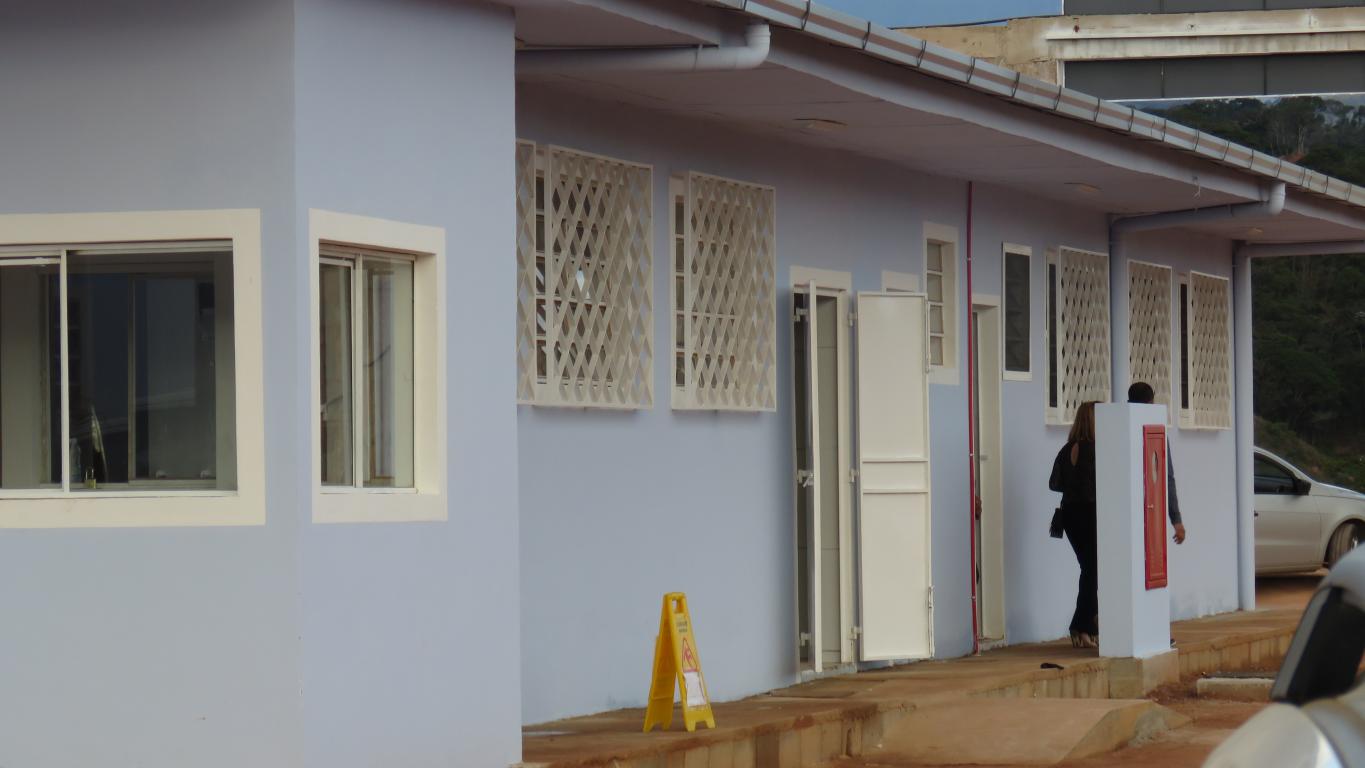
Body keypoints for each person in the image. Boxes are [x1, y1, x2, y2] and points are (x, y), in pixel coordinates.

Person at [1049, 401, 1100, 649]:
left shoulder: (1067, 449)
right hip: (1091, 513)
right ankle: (1083, 626)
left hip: (1070, 514)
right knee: (1093, 570)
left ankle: (1086, 626)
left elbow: (1054, 483)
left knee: (1088, 569)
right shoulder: (1097, 450)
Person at [1127, 382, 1187, 545]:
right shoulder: (1156, 431)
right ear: (1150, 402)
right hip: (1149, 509)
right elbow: (1167, 477)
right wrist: (1176, 520)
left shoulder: (1118, 427)